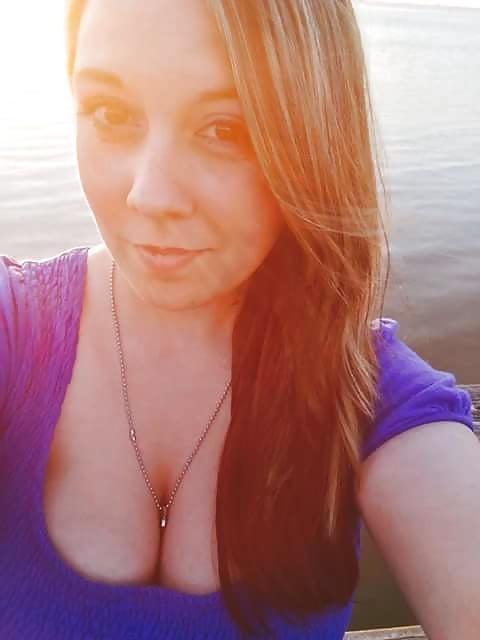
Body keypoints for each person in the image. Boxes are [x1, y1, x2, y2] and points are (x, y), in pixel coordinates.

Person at [0, 0, 478, 638]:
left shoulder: (369, 397)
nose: (149, 194)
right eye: (111, 114)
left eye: (224, 128)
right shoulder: (17, 329)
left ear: (313, 138)